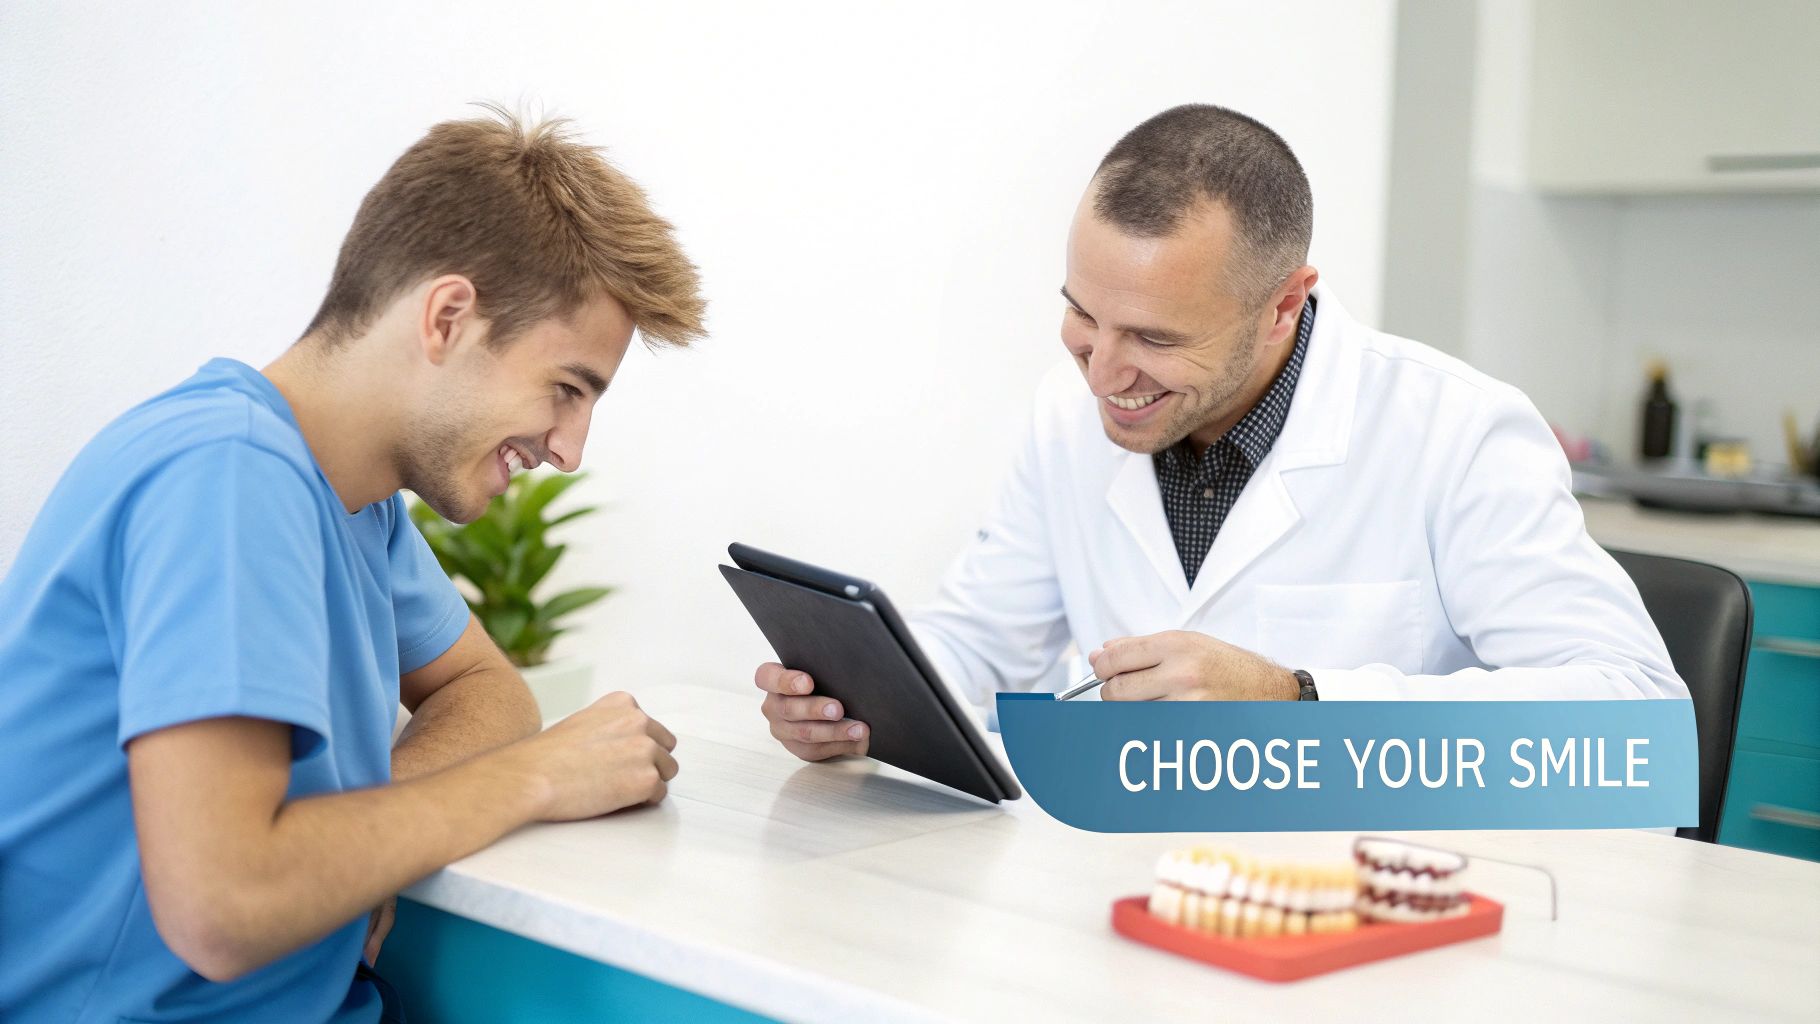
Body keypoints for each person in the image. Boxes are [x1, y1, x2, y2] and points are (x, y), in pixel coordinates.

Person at [0, 107, 705, 1022]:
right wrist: (540, 775)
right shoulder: (227, 477)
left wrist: (375, 838)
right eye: (565, 388)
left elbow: (486, 687)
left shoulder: (350, 498)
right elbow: (225, 905)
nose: (568, 447)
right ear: (449, 317)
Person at [756, 104, 1685, 762]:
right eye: (1083, 314)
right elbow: (977, 645)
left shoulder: (1455, 431)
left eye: (1156, 338)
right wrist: (864, 710)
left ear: (1284, 305)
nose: (1103, 370)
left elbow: (1636, 719)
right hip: (1123, 897)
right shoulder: (1066, 415)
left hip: (1368, 911)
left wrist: (1299, 700)